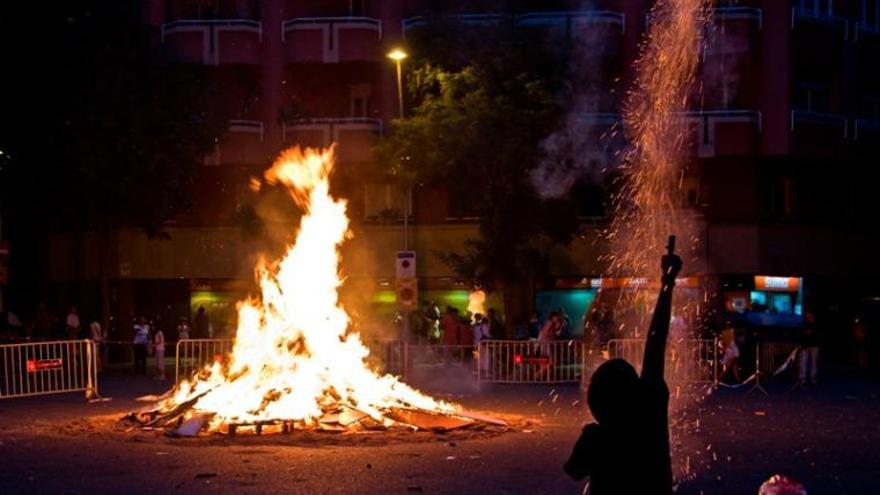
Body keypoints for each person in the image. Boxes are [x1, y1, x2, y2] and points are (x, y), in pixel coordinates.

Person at [564, 245, 681, 494]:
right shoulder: (651, 408)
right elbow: (656, 341)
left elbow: (573, 470)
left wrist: (589, 436)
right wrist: (667, 283)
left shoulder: (598, 438)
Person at [797, 311, 820, 386]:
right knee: (803, 362)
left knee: (814, 362)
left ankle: (813, 377)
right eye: (807, 314)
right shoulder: (803, 324)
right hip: (805, 345)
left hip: (814, 345)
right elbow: (800, 334)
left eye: (809, 314)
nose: (808, 316)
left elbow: (819, 334)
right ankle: (803, 378)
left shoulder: (816, 324)